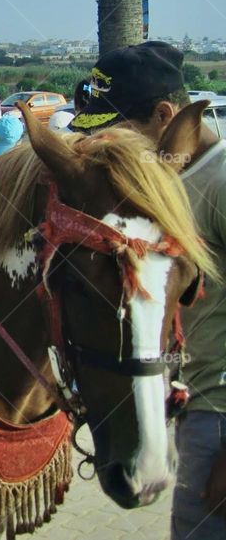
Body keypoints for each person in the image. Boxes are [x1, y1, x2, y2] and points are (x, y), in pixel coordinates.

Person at [69, 41, 226, 539]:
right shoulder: (162, 179)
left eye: (118, 129)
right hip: (191, 406)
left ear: (165, 115)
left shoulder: (220, 182)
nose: (107, 142)